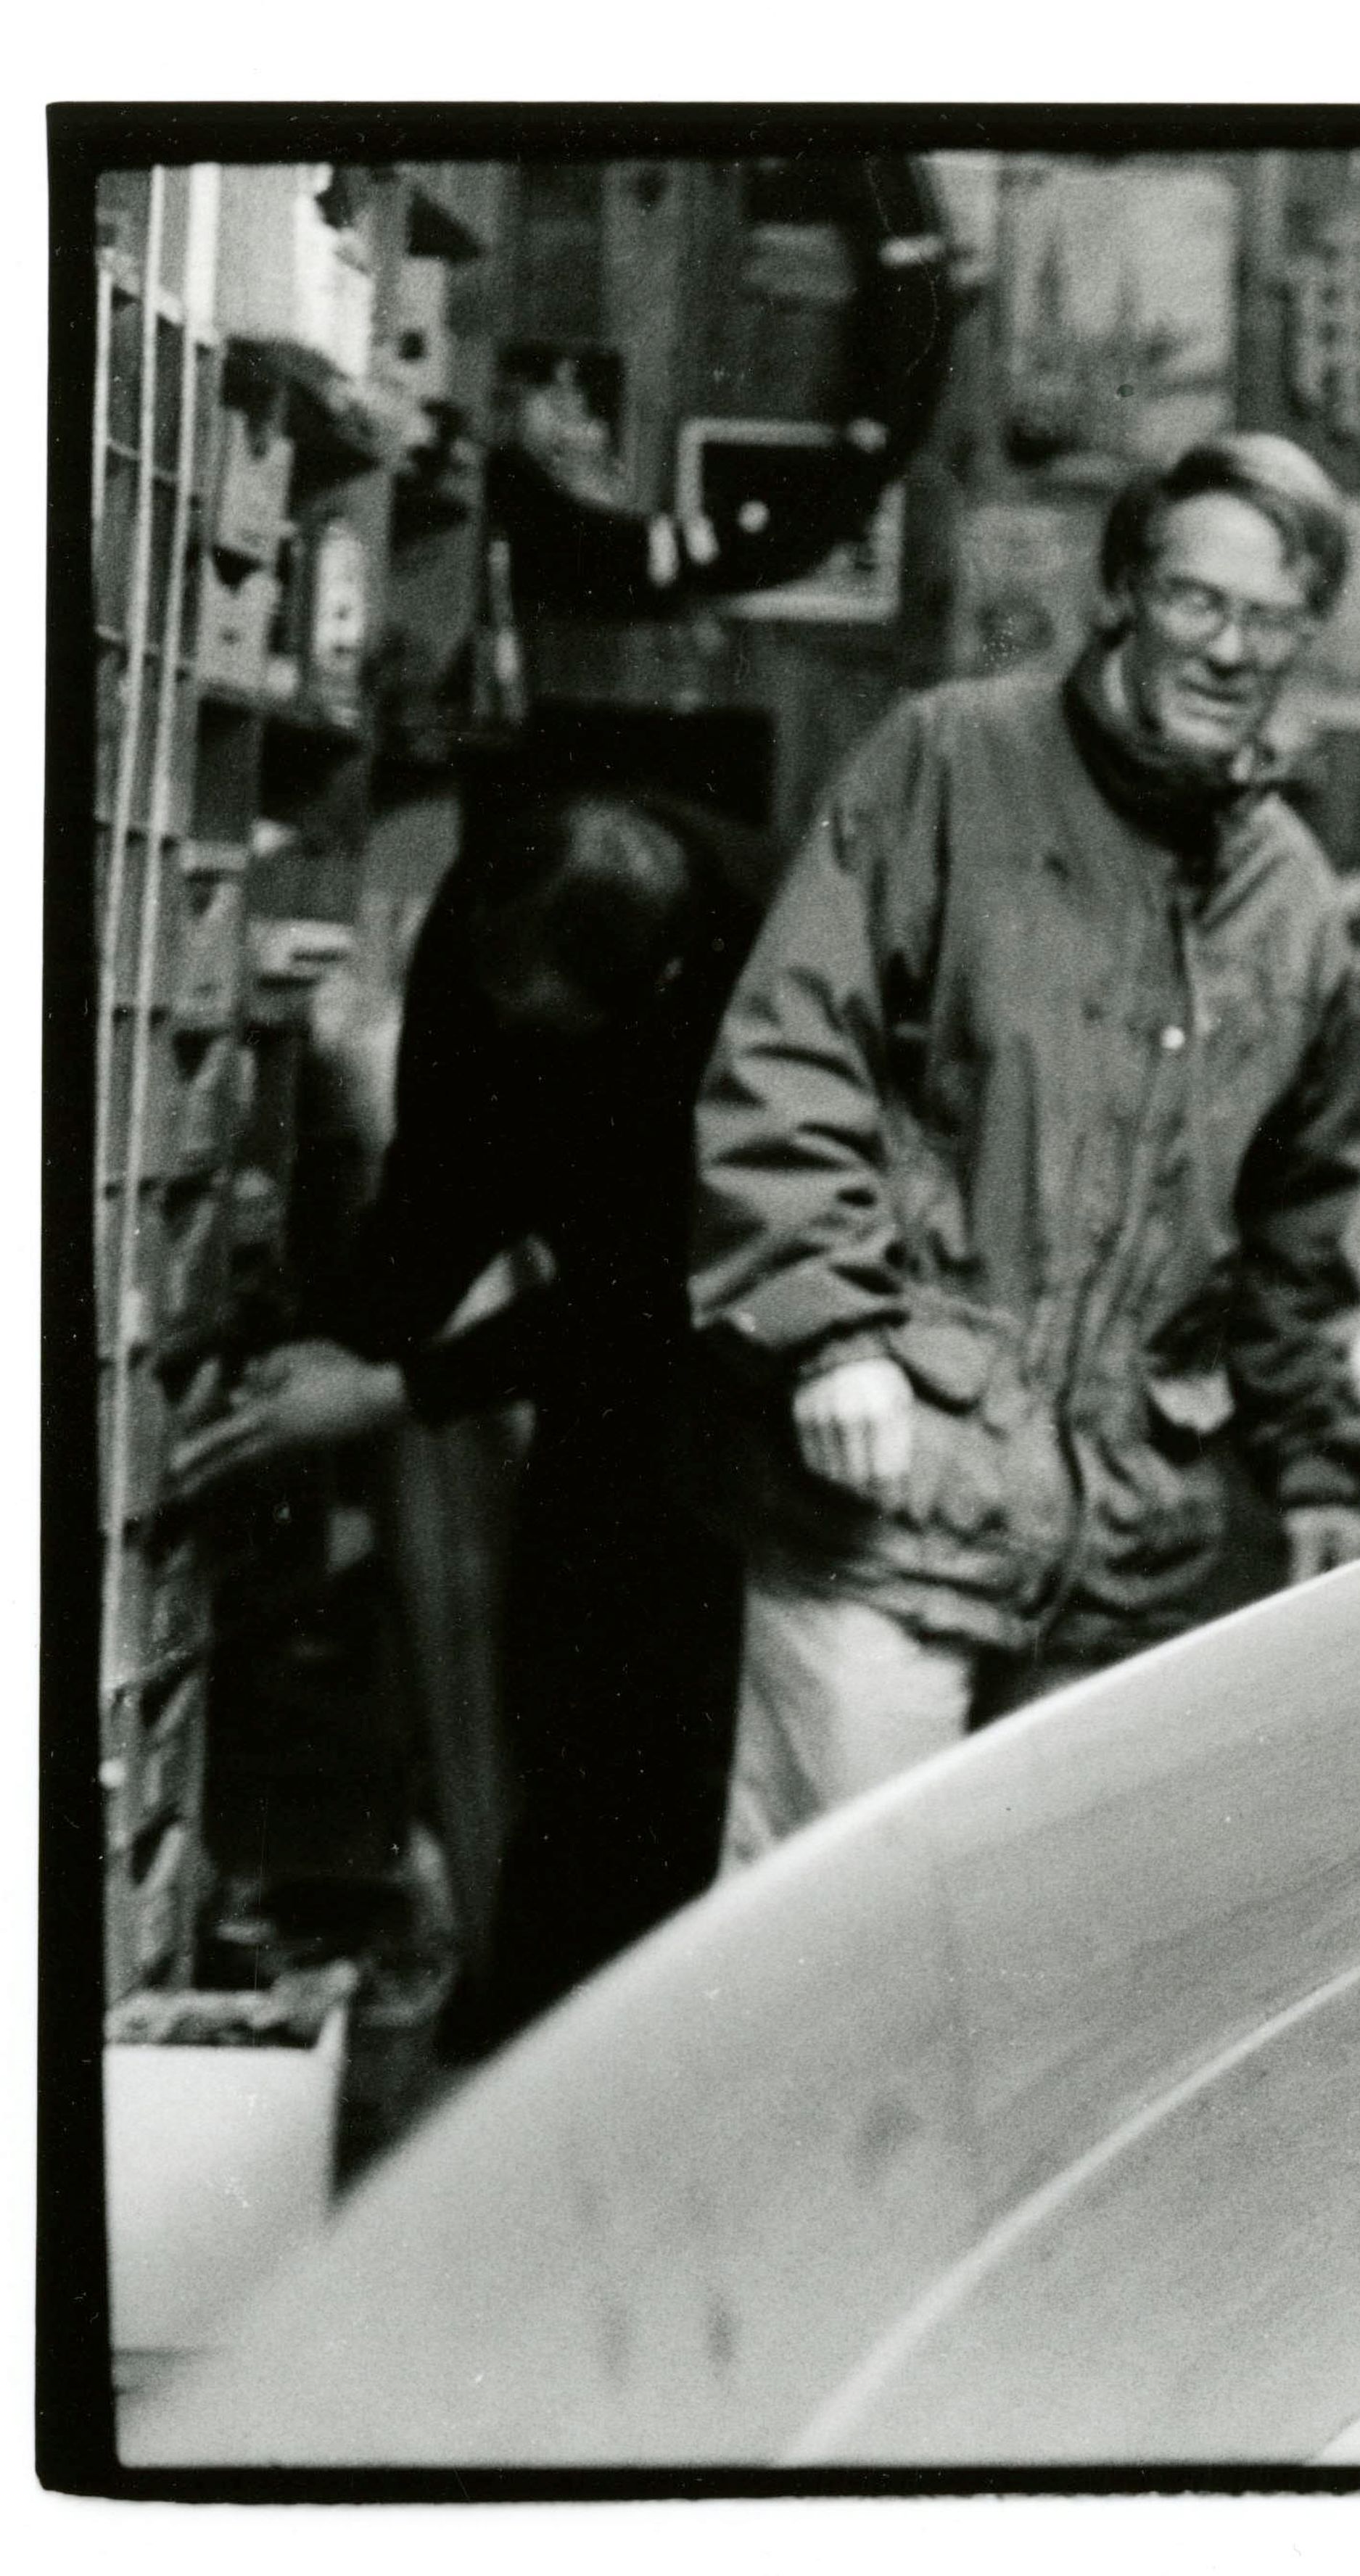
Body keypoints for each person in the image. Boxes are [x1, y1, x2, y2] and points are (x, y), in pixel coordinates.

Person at [690, 433, 1360, 1870]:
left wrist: (1317, 1468)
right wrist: (830, 1333)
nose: (1229, 649)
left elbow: (1293, 1229)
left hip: (1124, 1554)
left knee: (1056, 1965)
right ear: (1125, 590)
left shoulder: (1294, 902)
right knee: (838, 1947)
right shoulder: (950, 759)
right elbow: (790, 1048)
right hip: (892, 1497)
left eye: (1272, 622)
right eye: (1197, 600)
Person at [172, 783, 777, 2055]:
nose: (520, 1044)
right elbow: (448, 1173)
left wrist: (396, 1392)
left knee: (672, 1684)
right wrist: (352, 1336)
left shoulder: (756, 949)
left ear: (655, 983)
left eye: (552, 1032)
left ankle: (644, 2033)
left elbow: (657, 1286)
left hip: (732, 1337)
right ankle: (536, 2023)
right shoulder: (490, 912)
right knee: (561, 1650)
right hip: (624, 1305)